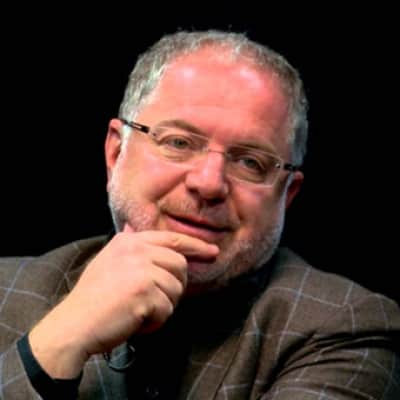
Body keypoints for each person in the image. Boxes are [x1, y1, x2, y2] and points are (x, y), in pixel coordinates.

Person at [0, 30, 399, 399]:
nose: (209, 183)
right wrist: (58, 342)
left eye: (250, 162)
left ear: (286, 195)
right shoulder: (5, 291)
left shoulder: (343, 327)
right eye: (178, 142)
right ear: (116, 153)